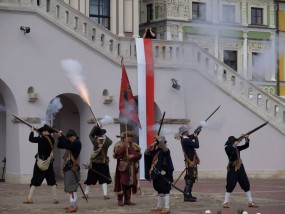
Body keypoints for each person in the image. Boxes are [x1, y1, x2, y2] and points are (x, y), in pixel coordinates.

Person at [23, 124, 58, 204]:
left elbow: (31, 139)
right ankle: (55, 198)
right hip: (49, 163)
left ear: (46, 132)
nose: (42, 132)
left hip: (40, 163)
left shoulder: (42, 139)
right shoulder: (52, 139)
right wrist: (39, 133)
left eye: (43, 131)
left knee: (35, 180)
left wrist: (32, 131)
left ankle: (30, 199)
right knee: (52, 180)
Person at [222, 135, 258, 208]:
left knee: (245, 183)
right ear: (231, 142)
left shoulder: (237, 148)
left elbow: (246, 145)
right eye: (234, 141)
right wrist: (236, 143)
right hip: (232, 168)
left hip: (240, 167)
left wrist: (246, 138)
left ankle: (250, 202)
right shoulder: (227, 148)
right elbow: (230, 149)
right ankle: (225, 202)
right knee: (230, 184)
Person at [144, 135, 174, 214]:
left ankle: (167, 207)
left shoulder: (165, 150)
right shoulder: (155, 151)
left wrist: (160, 141)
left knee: (166, 190)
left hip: (164, 172)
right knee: (159, 189)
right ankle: (159, 206)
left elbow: (165, 150)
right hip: (156, 173)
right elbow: (146, 153)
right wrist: (151, 145)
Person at [83, 125, 112, 200]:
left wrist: (95, 128)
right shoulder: (107, 142)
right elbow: (110, 141)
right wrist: (104, 135)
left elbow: (90, 135)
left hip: (94, 162)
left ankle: (86, 194)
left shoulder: (95, 141)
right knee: (104, 179)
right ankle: (105, 195)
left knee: (90, 179)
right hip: (103, 162)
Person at [56, 129, 82, 213]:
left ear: (75, 136)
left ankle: (73, 206)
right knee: (69, 188)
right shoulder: (70, 142)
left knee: (72, 188)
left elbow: (68, 146)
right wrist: (61, 137)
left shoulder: (77, 143)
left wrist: (62, 137)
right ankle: (72, 205)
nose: (70, 138)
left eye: (71, 137)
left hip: (73, 168)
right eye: (69, 137)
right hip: (68, 168)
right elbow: (60, 145)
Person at [113, 131, 142, 206]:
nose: (130, 138)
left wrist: (133, 156)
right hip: (122, 167)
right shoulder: (119, 145)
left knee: (130, 183)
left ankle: (127, 199)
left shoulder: (135, 146)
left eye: (130, 137)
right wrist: (124, 147)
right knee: (122, 183)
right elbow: (116, 154)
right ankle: (120, 199)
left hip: (132, 167)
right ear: (124, 138)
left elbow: (139, 155)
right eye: (128, 137)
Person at [179, 125, 201, 202]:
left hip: (190, 161)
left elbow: (191, 136)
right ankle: (187, 195)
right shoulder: (186, 140)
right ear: (185, 132)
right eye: (187, 130)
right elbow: (196, 145)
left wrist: (197, 132)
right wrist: (196, 137)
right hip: (191, 161)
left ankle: (187, 194)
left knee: (190, 178)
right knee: (190, 178)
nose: (188, 131)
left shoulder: (185, 139)